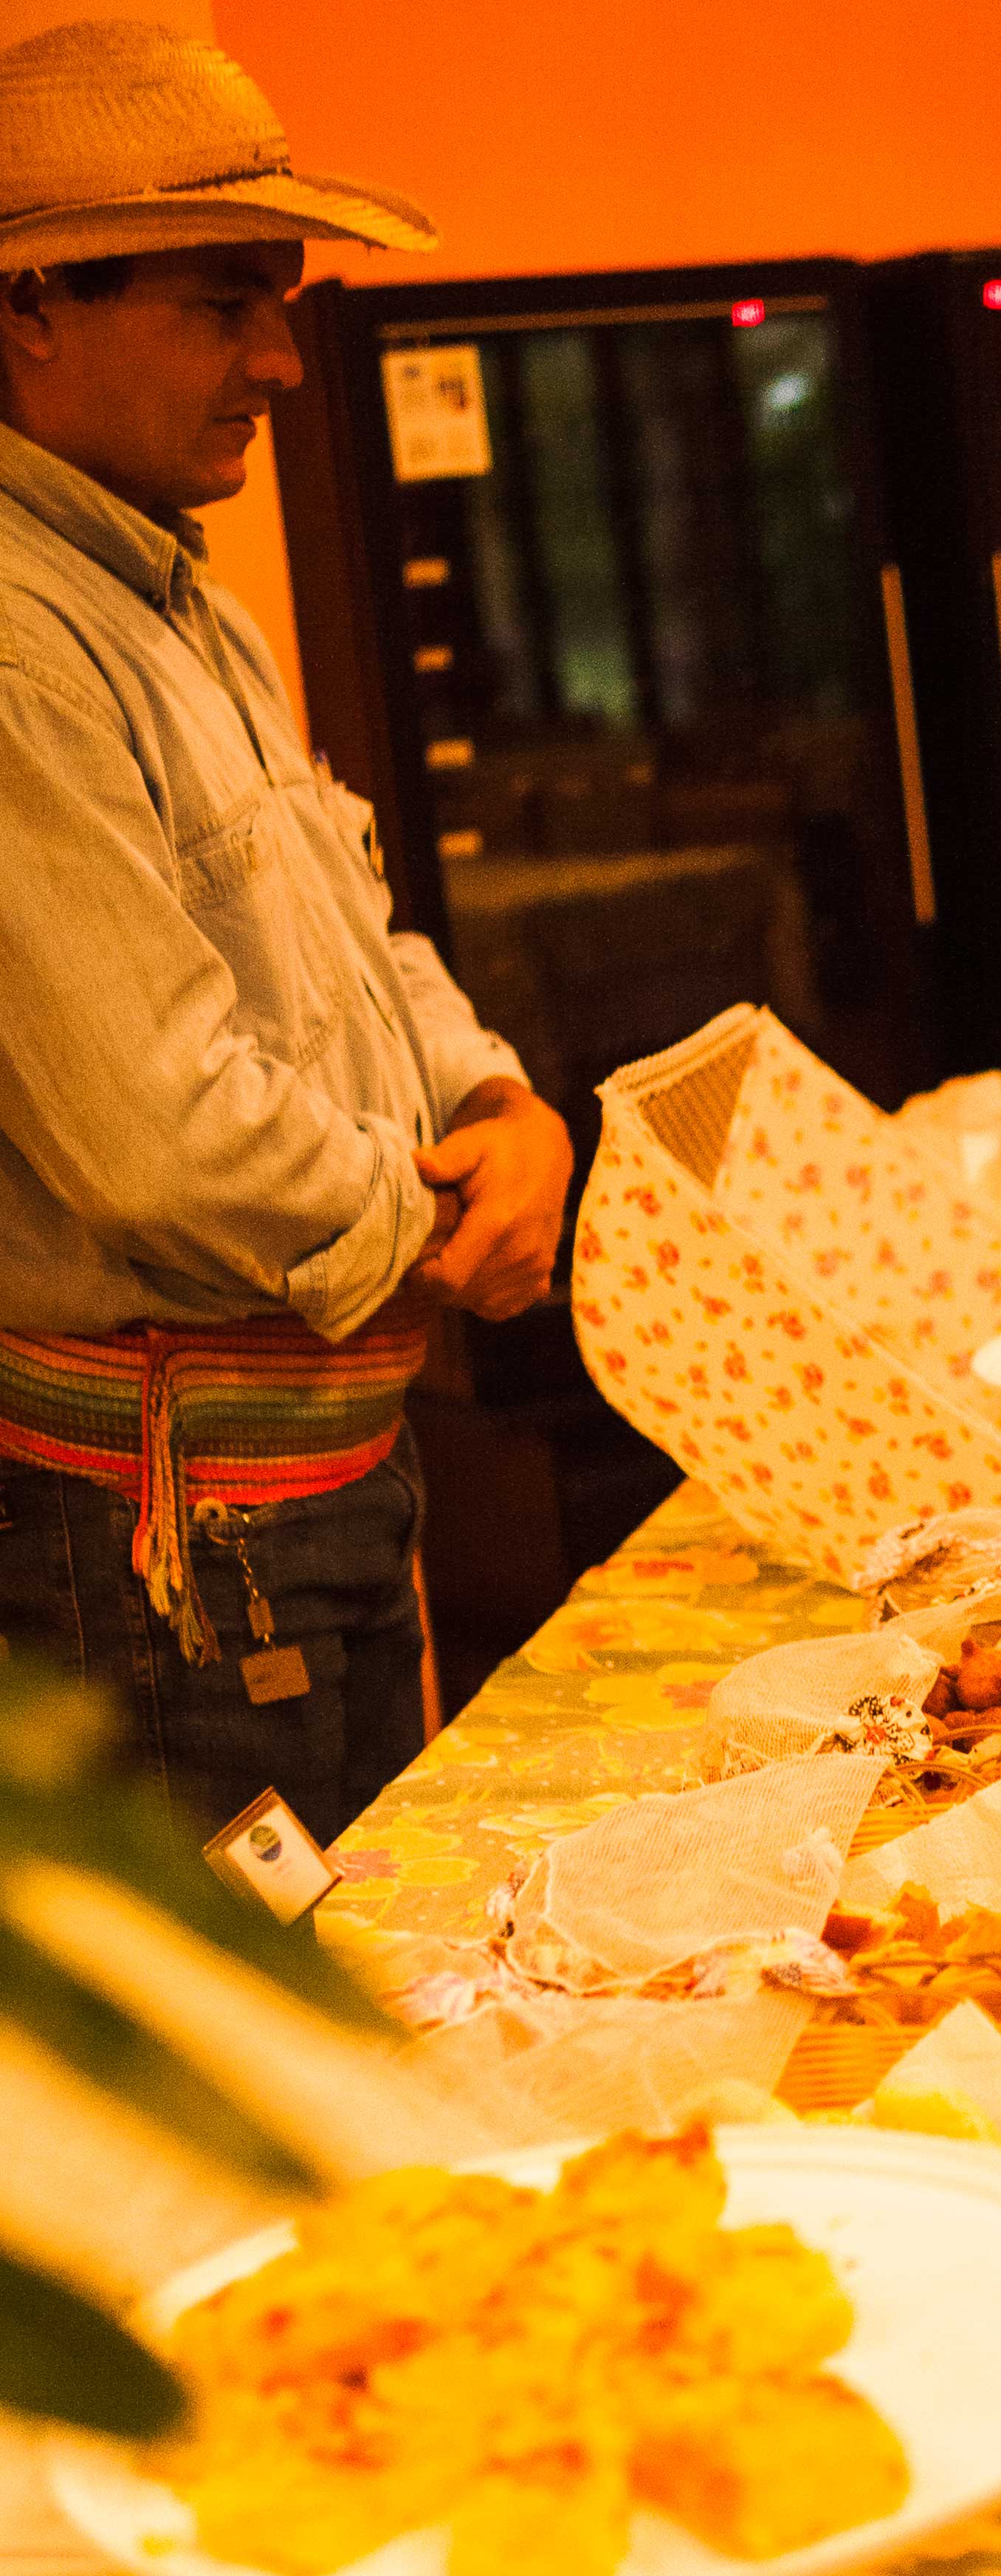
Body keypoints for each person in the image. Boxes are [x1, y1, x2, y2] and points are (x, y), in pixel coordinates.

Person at [0, 21, 571, 1843]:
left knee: (357, 2028)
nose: (282, 361)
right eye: (226, 300)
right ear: (30, 307)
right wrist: (445, 1224)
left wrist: (501, 1103)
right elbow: (159, 1131)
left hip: (290, 1500)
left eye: (289, 298)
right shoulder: (21, 640)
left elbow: (352, 924)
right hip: (158, 1548)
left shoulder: (171, 589)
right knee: (256, 2107)